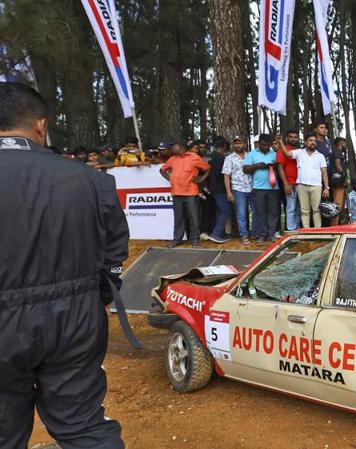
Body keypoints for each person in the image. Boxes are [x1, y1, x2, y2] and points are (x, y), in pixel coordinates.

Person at [0, 82, 129, 449]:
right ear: (40, 125)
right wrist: (98, 296)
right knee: (84, 427)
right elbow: (113, 251)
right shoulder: (91, 179)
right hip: (75, 316)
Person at [161, 142, 210, 248]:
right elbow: (162, 170)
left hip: (191, 192)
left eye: (173, 146)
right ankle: (177, 239)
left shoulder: (194, 157)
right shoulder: (172, 159)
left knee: (194, 217)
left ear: (181, 147)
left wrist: (201, 178)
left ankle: (195, 239)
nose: (172, 148)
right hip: (176, 192)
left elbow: (207, 168)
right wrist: (170, 179)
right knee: (178, 217)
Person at [278, 131, 330, 228]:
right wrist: (280, 142)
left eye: (314, 141)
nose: (313, 142)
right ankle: (306, 231)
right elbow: (286, 154)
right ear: (305, 142)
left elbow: (324, 173)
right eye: (310, 141)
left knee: (316, 210)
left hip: (316, 186)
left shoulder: (320, 156)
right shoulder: (299, 152)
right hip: (301, 186)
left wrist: (326, 187)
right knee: (304, 211)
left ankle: (317, 231)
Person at [244, 134, 281, 243]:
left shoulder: (274, 154)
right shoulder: (252, 154)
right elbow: (245, 168)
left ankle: (271, 234)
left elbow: (280, 168)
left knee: (273, 212)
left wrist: (274, 166)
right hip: (258, 188)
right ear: (259, 143)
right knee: (260, 212)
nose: (266, 147)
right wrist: (256, 166)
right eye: (263, 145)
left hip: (273, 188)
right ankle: (262, 234)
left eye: (268, 145)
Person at [223, 135, 254, 244]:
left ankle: (254, 233)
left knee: (255, 212)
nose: (238, 145)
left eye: (240, 143)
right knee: (241, 214)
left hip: (252, 188)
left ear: (244, 144)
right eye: (236, 143)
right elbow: (226, 175)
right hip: (238, 189)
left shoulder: (250, 156)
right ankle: (244, 235)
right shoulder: (229, 158)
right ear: (233, 145)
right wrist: (228, 192)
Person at [208, 136, 232, 243]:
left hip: (212, 187)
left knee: (219, 211)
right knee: (225, 210)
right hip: (220, 188)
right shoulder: (221, 158)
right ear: (224, 146)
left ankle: (220, 233)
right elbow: (221, 174)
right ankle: (216, 234)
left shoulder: (210, 157)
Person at [276, 129, 301, 231]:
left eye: (295, 137)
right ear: (287, 138)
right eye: (291, 137)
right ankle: (291, 230)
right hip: (290, 183)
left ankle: (297, 229)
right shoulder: (282, 149)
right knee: (291, 208)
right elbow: (280, 168)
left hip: (301, 183)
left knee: (299, 209)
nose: (293, 139)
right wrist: (285, 183)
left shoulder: (300, 150)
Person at [329, 137, 349, 225]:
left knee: (338, 205)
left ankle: (336, 224)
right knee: (337, 205)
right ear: (341, 144)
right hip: (338, 182)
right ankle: (334, 226)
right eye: (345, 144)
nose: (346, 147)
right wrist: (345, 176)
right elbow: (337, 165)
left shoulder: (336, 151)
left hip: (337, 182)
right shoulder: (338, 151)